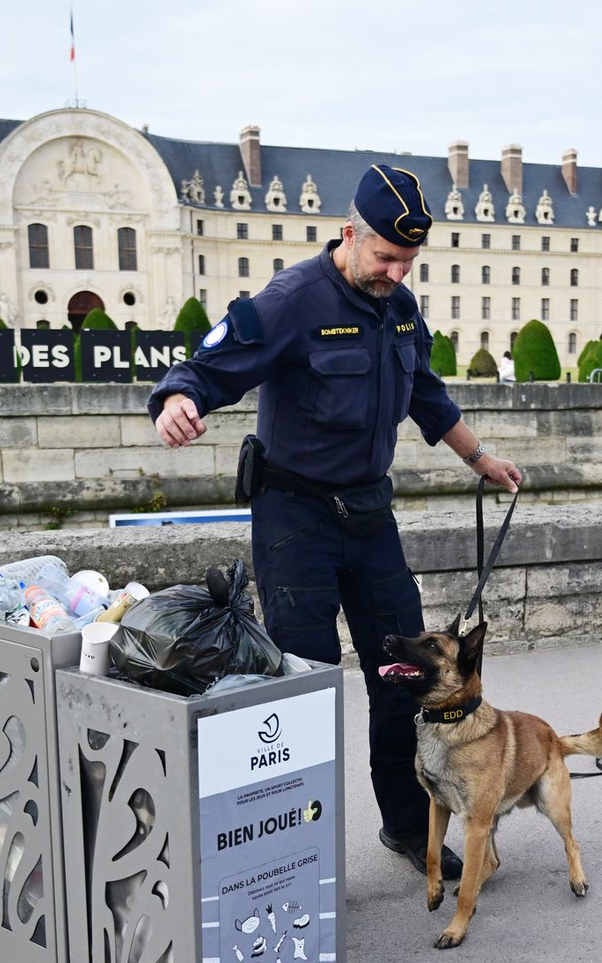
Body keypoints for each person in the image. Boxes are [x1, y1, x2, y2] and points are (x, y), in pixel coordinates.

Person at [147, 164, 522, 881]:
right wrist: (175, 400)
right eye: (384, 256)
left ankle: (409, 826)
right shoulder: (292, 299)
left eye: (406, 261)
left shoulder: (400, 306)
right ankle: (297, 849)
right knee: (302, 684)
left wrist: (481, 458)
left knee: (404, 675)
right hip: (296, 518)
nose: (394, 271)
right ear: (349, 233)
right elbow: (213, 362)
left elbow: (428, 395)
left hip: (368, 512)